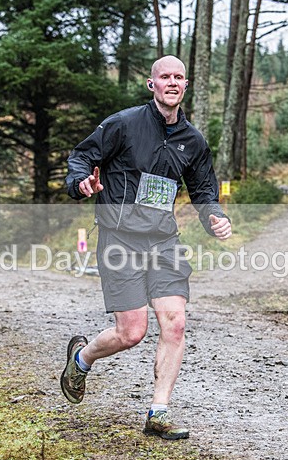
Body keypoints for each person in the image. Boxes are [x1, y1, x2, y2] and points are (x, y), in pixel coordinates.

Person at [61, 55, 232, 440]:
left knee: (176, 322)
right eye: (164, 77)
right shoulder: (123, 124)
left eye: (178, 77)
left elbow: (204, 190)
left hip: (163, 240)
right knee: (132, 331)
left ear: (186, 86)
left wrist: (214, 217)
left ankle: (158, 412)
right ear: (151, 84)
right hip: (119, 238)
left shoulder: (193, 141)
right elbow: (81, 157)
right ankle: (82, 358)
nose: (172, 82)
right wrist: (81, 183)